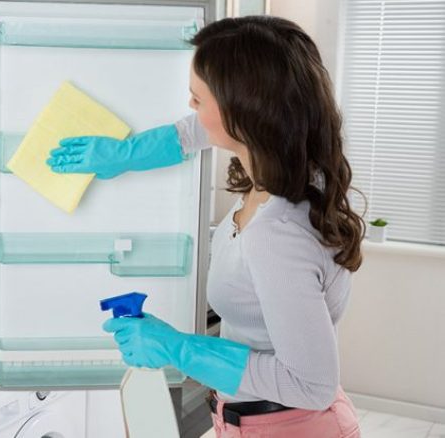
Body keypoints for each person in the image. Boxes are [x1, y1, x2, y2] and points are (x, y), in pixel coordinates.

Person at [47, 16, 364, 438]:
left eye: (198, 97)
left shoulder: (278, 233)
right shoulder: (290, 165)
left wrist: (175, 347)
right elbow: (190, 132)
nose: (190, 106)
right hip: (254, 421)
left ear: (243, 114)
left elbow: (313, 384)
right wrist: (123, 154)